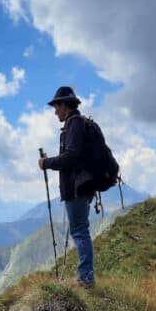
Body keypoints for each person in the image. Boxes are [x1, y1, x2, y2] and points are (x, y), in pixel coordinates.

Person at [38, 86, 96, 289]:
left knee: (80, 231)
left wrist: (47, 163)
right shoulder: (75, 125)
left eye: (56, 107)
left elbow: (70, 157)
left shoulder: (74, 126)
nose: (55, 112)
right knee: (81, 230)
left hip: (77, 188)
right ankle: (86, 276)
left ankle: (86, 278)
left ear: (64, 105)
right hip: (81, 187)